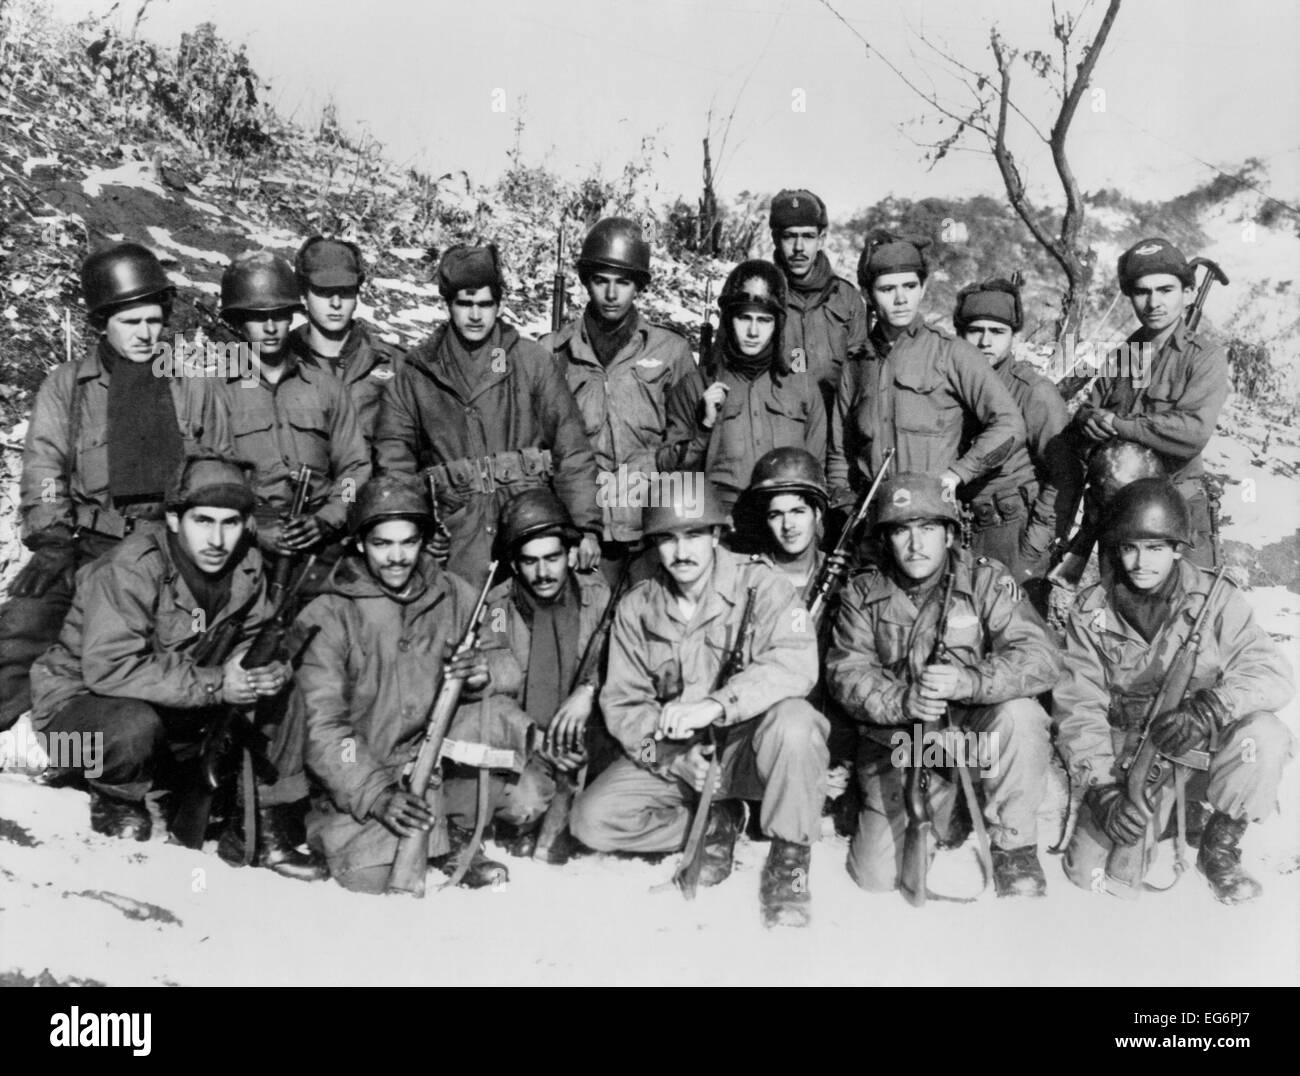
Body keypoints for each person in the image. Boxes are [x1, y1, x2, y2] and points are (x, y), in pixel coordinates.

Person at [27, 454, 324, 880]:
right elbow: (111, 669)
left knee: (283, 693)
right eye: (203, 521)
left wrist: (265, 671)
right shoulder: (132, 566)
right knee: (132, 726)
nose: (218, 539)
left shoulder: (246, 567)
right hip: (78, 717)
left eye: (231, 523)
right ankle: (116, 797)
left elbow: (253, 642)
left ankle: (262, 822)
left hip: (175, 710)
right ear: (173, 519)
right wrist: (219, 684)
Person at [570, 475, 827, 928]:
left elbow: (796, 664)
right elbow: (625, 710)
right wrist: (672, 760)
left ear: (716, 535)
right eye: (667, 539)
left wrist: (717, 704)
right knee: (590, 821)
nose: (681, 551)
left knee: (797, 722)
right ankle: (717, 821)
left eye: (693, 535)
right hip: (674, 755)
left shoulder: (761, 586)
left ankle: (790, 862)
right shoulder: (637, 607)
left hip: (748, 751)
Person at [1, 242, 230, 728]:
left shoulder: (192, 387)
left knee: (162, 653)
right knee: (20, 631)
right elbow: (45, 470)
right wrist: (52, 540)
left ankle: (127, 763)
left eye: (154, 320)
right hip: (86, 547)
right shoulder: (68, 386)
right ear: (103, 323)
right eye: (131, 322)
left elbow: (219, 474)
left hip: (167, 555)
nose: (146, 334)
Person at [1054, 478, 1294, 904]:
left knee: (1265, 736)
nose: (1140, 561)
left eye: (1155, 548)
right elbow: (1078, 706)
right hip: (1130, 756)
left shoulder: (1216, 599)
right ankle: (1162, 816)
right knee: (1087, 873)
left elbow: (1272, 674)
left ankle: (1219, 846)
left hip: (1203, 749)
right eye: (1130, 547)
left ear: (1178, 548)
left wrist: (1213, 707)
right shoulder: (1092, 610)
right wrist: (1104, 790)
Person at [825, 473, 1062, 898]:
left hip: (969, 736)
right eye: (902, 530)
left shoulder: (986, 579)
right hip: (901, 744)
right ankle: (933, 810)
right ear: (886, 538)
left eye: (928, 528)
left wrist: (970, 681)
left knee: (1022, 717)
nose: (915, 544)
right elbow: (847, 672)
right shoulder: (862, 592)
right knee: (876, 878)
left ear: (950, 534)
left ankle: (1014, 846)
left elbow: (1041, 659)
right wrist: (902, 699)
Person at [296, 475, 535, 893]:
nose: (396, 557)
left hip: (439, 761)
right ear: (358, 543)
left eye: (408, 542)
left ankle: (457, 834)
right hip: (366, 767)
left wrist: (483, 670)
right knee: (371, 878)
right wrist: (377, 794)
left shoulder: (455, 592)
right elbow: (323, 729)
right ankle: (427, 835)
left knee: (511, 753)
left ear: (423, 541)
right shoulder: (327, 613)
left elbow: (508, 664)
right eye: (382, 544)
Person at [374, 244, 602, 588]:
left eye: (485, 304)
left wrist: (584, 527)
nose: (476, 316)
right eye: (465, 304)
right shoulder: (417, 374)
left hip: (531, 528)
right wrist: (417, 530)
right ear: (448, 304)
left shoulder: (531, 361)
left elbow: (571, 448)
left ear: (498, 304)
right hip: (455, 538)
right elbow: (394, 462)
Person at [827, 232, 1025, 526]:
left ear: (923, 288)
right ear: (868, 294)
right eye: (887, 289)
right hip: (872, 519)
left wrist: (959, 473)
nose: (900, 298)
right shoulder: (857, 364)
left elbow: (1009, 425)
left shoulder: (952, 353)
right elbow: (839, 453)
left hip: (933, 519)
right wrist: (843, 503)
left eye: (909, 286)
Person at [541, 217, 695, 583]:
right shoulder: (553, 353)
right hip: (582, 535)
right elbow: (543, 450)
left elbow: (688, 448)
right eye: (601, 281)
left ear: (638, 286)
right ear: (586, 282)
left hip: (651, 530)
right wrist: (567, 528)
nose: (611, 295)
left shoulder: (671, 352)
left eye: (623, 282)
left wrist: (682, 531)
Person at [1068, 237, 1230, 568]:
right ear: (1130, 297)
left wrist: (1119, 425)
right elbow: (1090, 412)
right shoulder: (1125, 354)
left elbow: (1192, 433)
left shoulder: (1205, 358)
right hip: (1119, 512)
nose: (1153, 302)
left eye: (1165, 290)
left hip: (1175, 513)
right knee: (1118, 611)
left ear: (1187, 294)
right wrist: (1089, 421)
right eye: (1142, 291)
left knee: (1189, 613)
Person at [219, 249, 371, 596]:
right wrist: (253, 528)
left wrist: (330, 516)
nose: (271, 328)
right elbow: (205, 477)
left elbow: (355, 467)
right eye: (258, 317)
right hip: (245, 542)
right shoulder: (216, 391)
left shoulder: (326, 388)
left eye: (280, 315)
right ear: (239, 321)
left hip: (321, 540)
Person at [481, 488, 614, 863]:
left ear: (571, 554)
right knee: (521, 803)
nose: (542, 573)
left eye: (552, 558)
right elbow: (493, 697)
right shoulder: (498, 611)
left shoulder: (598, 598)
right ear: (514, 563)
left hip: (591, 738)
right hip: (530, 744)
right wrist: (535, 738)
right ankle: (529, 823)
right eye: (530, 561)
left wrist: (588, 691)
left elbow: (623, 667)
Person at [660, 260, 825, 517]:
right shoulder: (695, 386)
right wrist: (703, 428)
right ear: (728, 319)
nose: (753, 331)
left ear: (777, 324)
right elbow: (668, 470)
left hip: (785, 523)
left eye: (764, 320)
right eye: (744, 317)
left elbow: (819, 468)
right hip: (721, 523)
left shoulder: (802, 386)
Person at [954, 276, 1078, 580]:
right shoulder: (948, 386)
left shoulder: (1034, 393)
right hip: (958, 530)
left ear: (1014, 337)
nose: (985, 341)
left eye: (997, 331)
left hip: (1013, 533)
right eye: (975, 331)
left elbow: (1066, 475)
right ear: (959, 334)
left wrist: (1035, 546)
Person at [289, 235, 404, 448]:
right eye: (324, 291)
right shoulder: (278, 361)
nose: (335, 303)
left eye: (345, 291)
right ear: (304, 295)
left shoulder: (395, 365)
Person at [768, 189, 869, 415]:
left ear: (821, 239)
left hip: (834, 421)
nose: (798, 248)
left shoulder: (846, 298)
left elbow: (860, 376)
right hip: (777, 422)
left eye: (808, 236)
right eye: (789, 236)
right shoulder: (762, 295)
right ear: (775, 239)